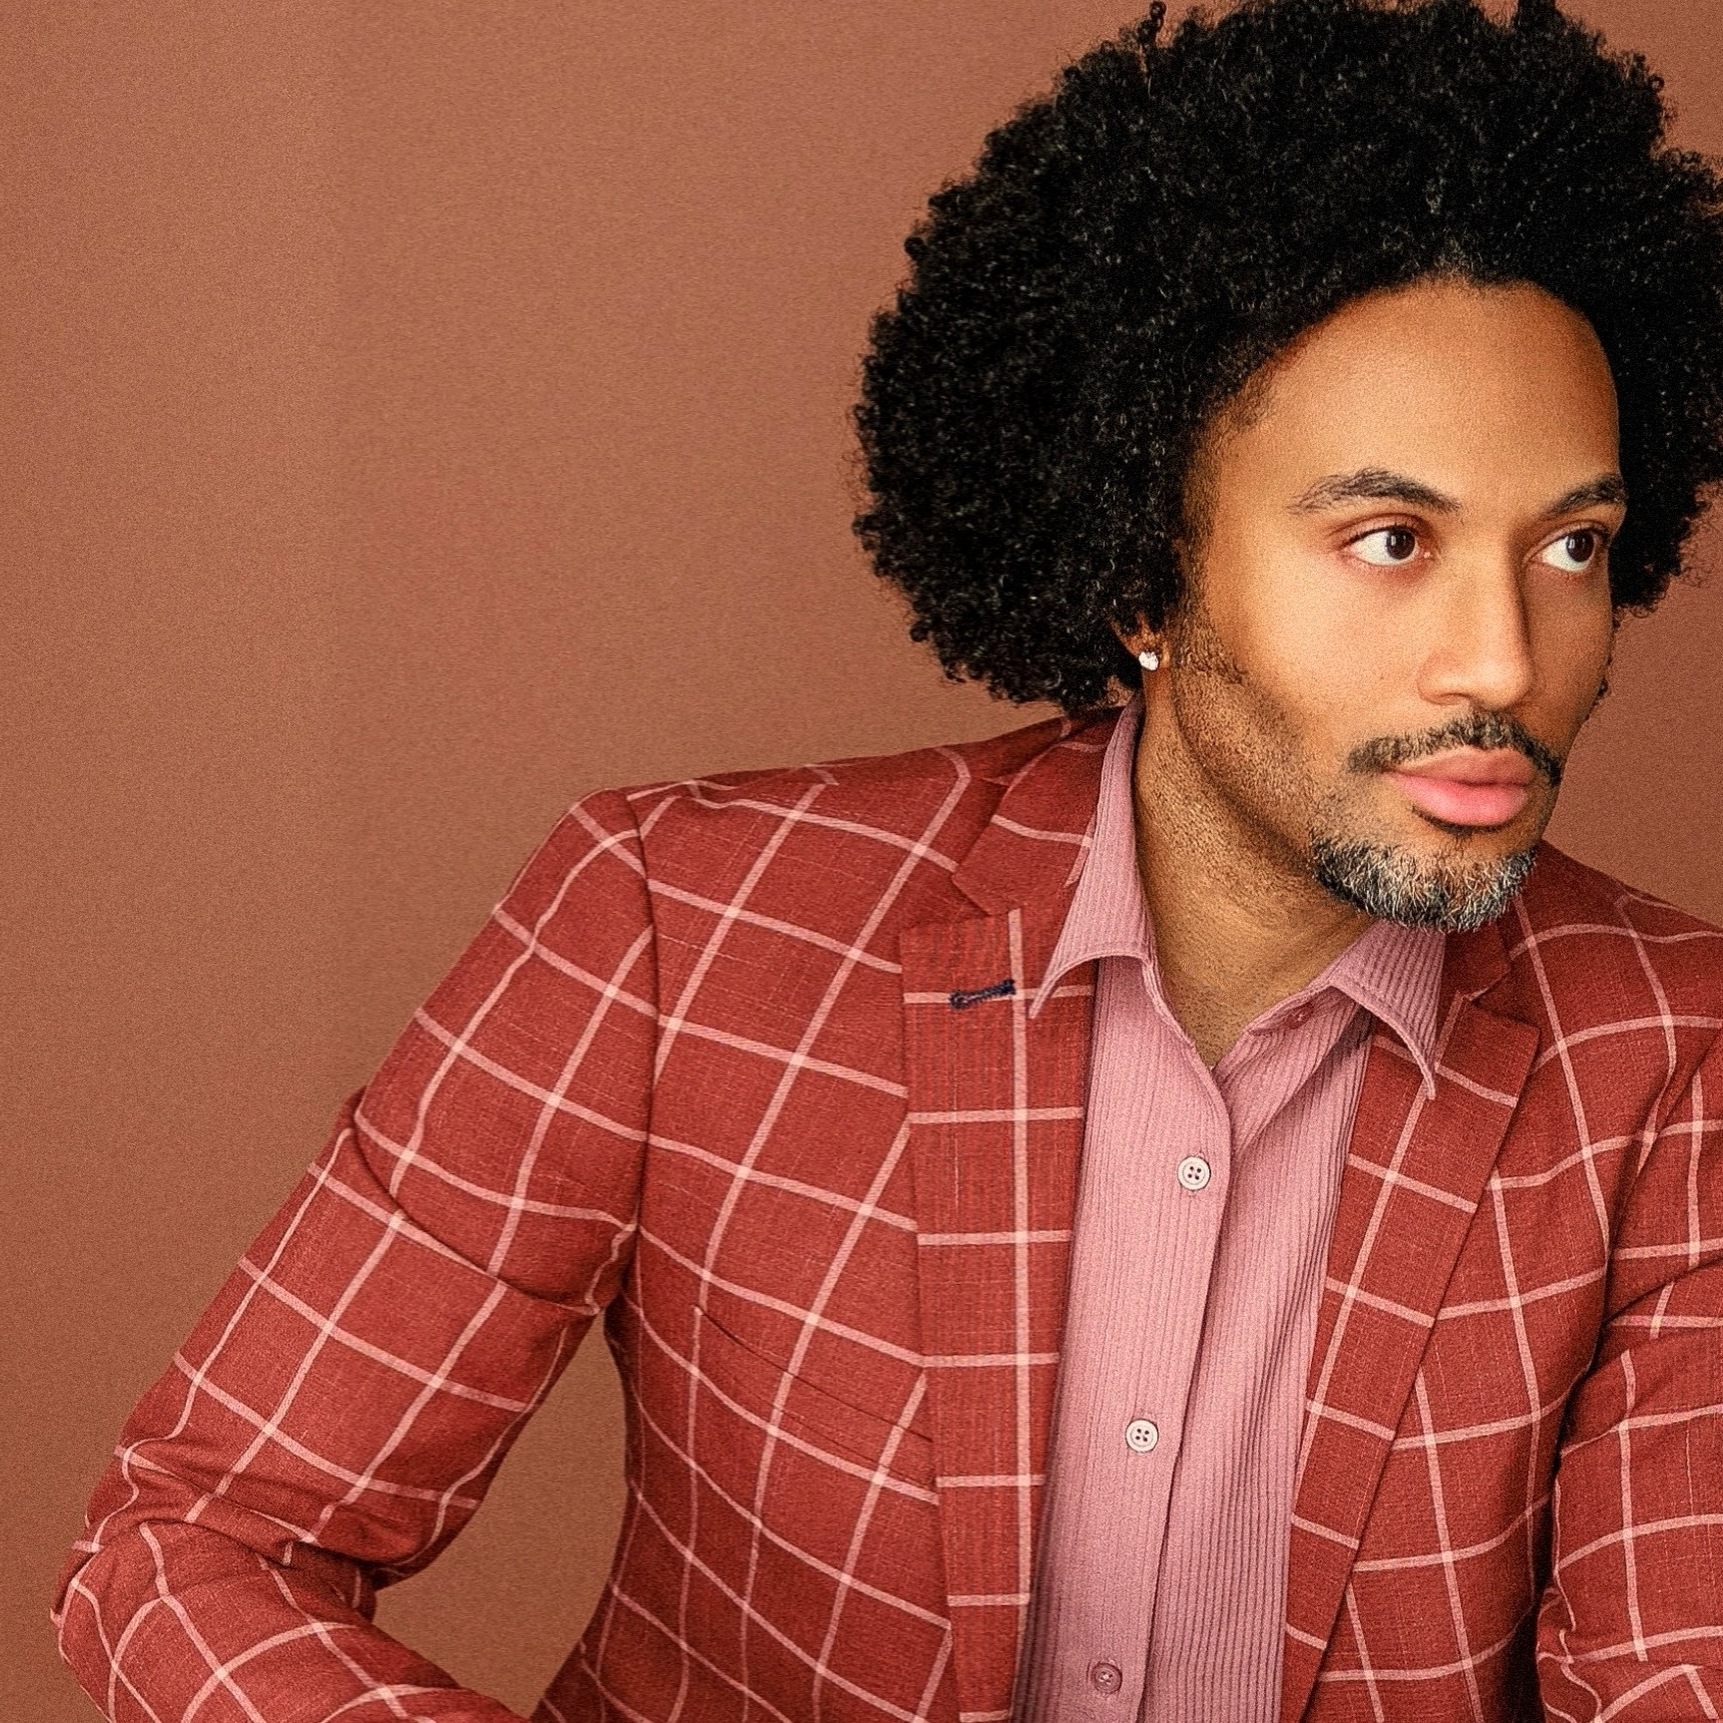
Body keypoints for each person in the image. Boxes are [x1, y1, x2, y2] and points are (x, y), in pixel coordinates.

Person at [53, 0, 1723, 1718]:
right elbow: (195, 1536)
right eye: (1391, 540)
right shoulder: (675, 920)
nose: (1508, 664)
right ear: (1141, 578)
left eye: (1572, 546)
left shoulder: (1678, 1065)